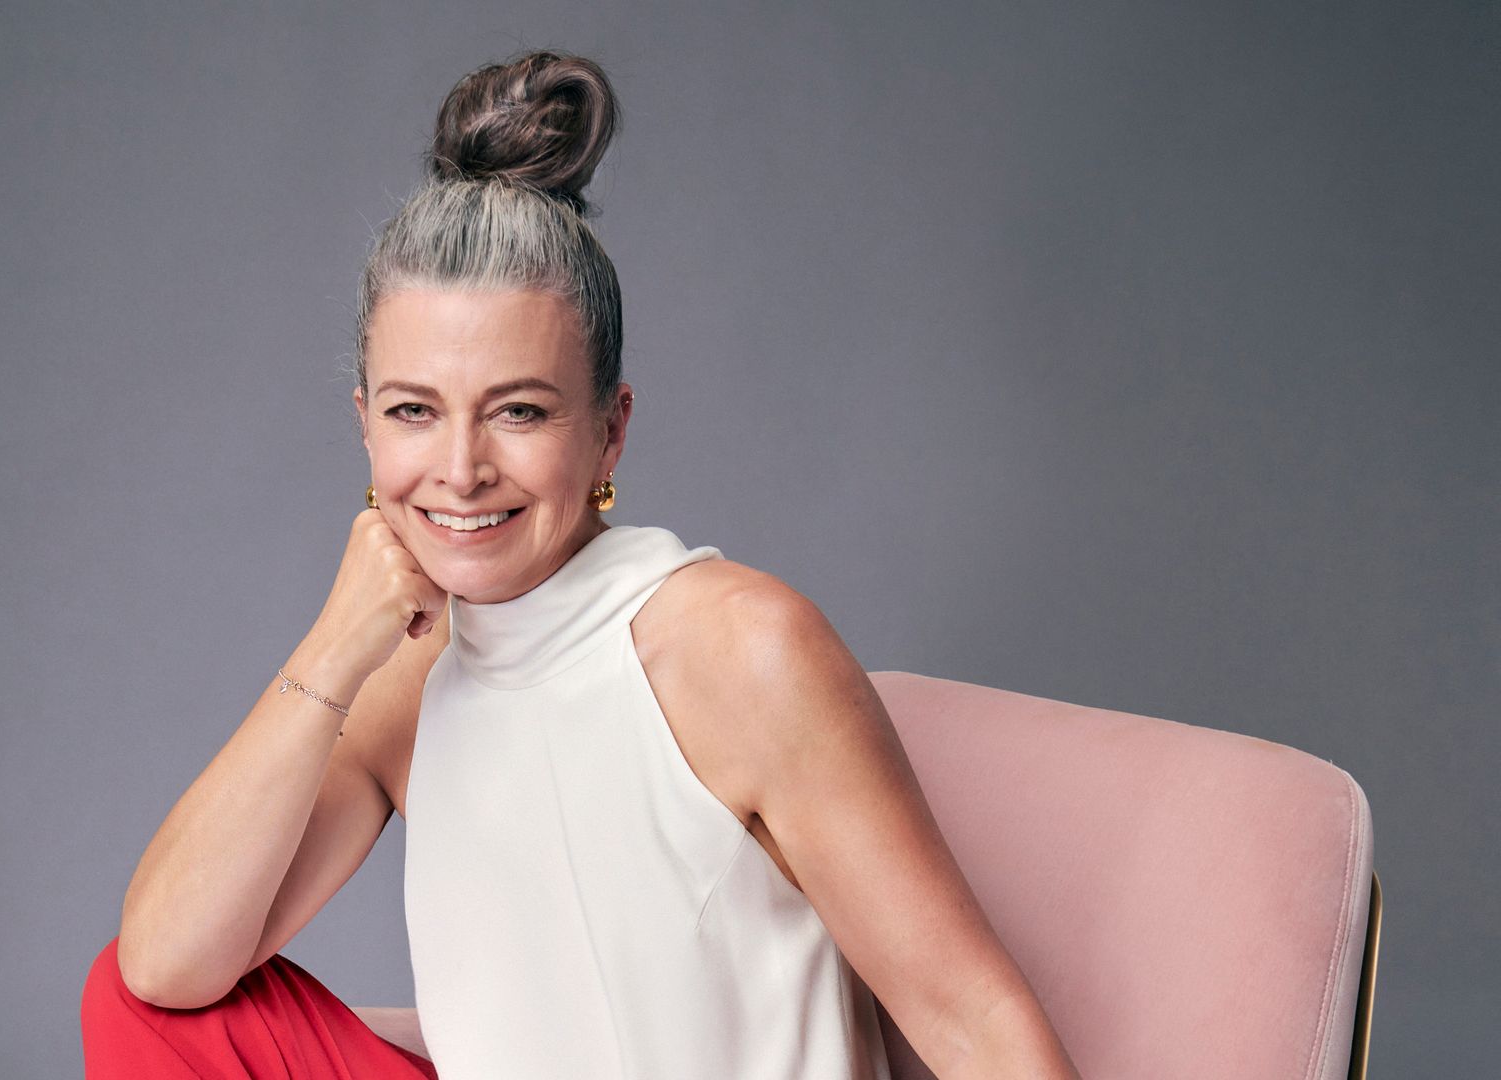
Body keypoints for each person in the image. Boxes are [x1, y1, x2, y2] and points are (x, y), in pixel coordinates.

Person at [81, 49, 1081, 1080]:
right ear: (365, 427)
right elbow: (165, 963)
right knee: (136, 1001)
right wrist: (337, 650)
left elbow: (977, 1024)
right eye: (414, 411)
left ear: (610, 431)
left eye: (519, 411)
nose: (461, 471)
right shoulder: (400, 679)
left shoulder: (739, 649)